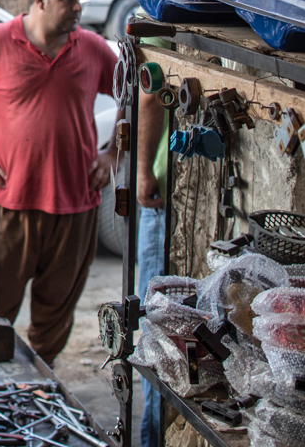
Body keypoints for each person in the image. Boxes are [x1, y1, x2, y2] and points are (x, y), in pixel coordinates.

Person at [0, 0, 120, 363]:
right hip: (9, 205)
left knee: (54, 320)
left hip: (75, 209)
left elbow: (132, 94)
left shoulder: (91, 48)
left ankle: (40, 386)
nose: (78, 7)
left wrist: (114, 153)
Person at [136, 85, 169, 447]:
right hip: (164, 191)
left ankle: (151, 440)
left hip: (161, 191)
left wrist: (143, 171)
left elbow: (149, 92)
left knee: (156, 325)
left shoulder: (157, 27)